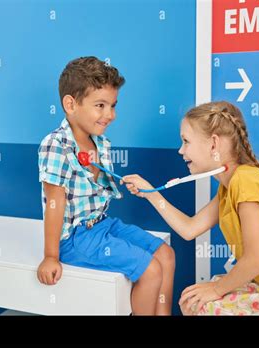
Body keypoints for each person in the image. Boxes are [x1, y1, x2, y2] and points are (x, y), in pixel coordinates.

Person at [122, 101, 259, 315]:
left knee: (205, 305)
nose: (181, 150)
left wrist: (216, 290)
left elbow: (257, 260)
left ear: (213, 144)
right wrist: (151, 194)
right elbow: (189, 229)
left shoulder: (244, 181)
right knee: (194, 300)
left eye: (186, 141)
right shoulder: (230, 185)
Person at [37, 56, 175, 315]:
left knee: (166, 255)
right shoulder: (56, 145)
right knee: (151, 269)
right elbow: (55, 204)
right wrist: (51, 256)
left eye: (112, 105)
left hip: (102, 224)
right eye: (100, 105)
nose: (110, 115)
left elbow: (98, 189)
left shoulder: (101, 144)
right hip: (75, 238)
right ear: (70, 104)